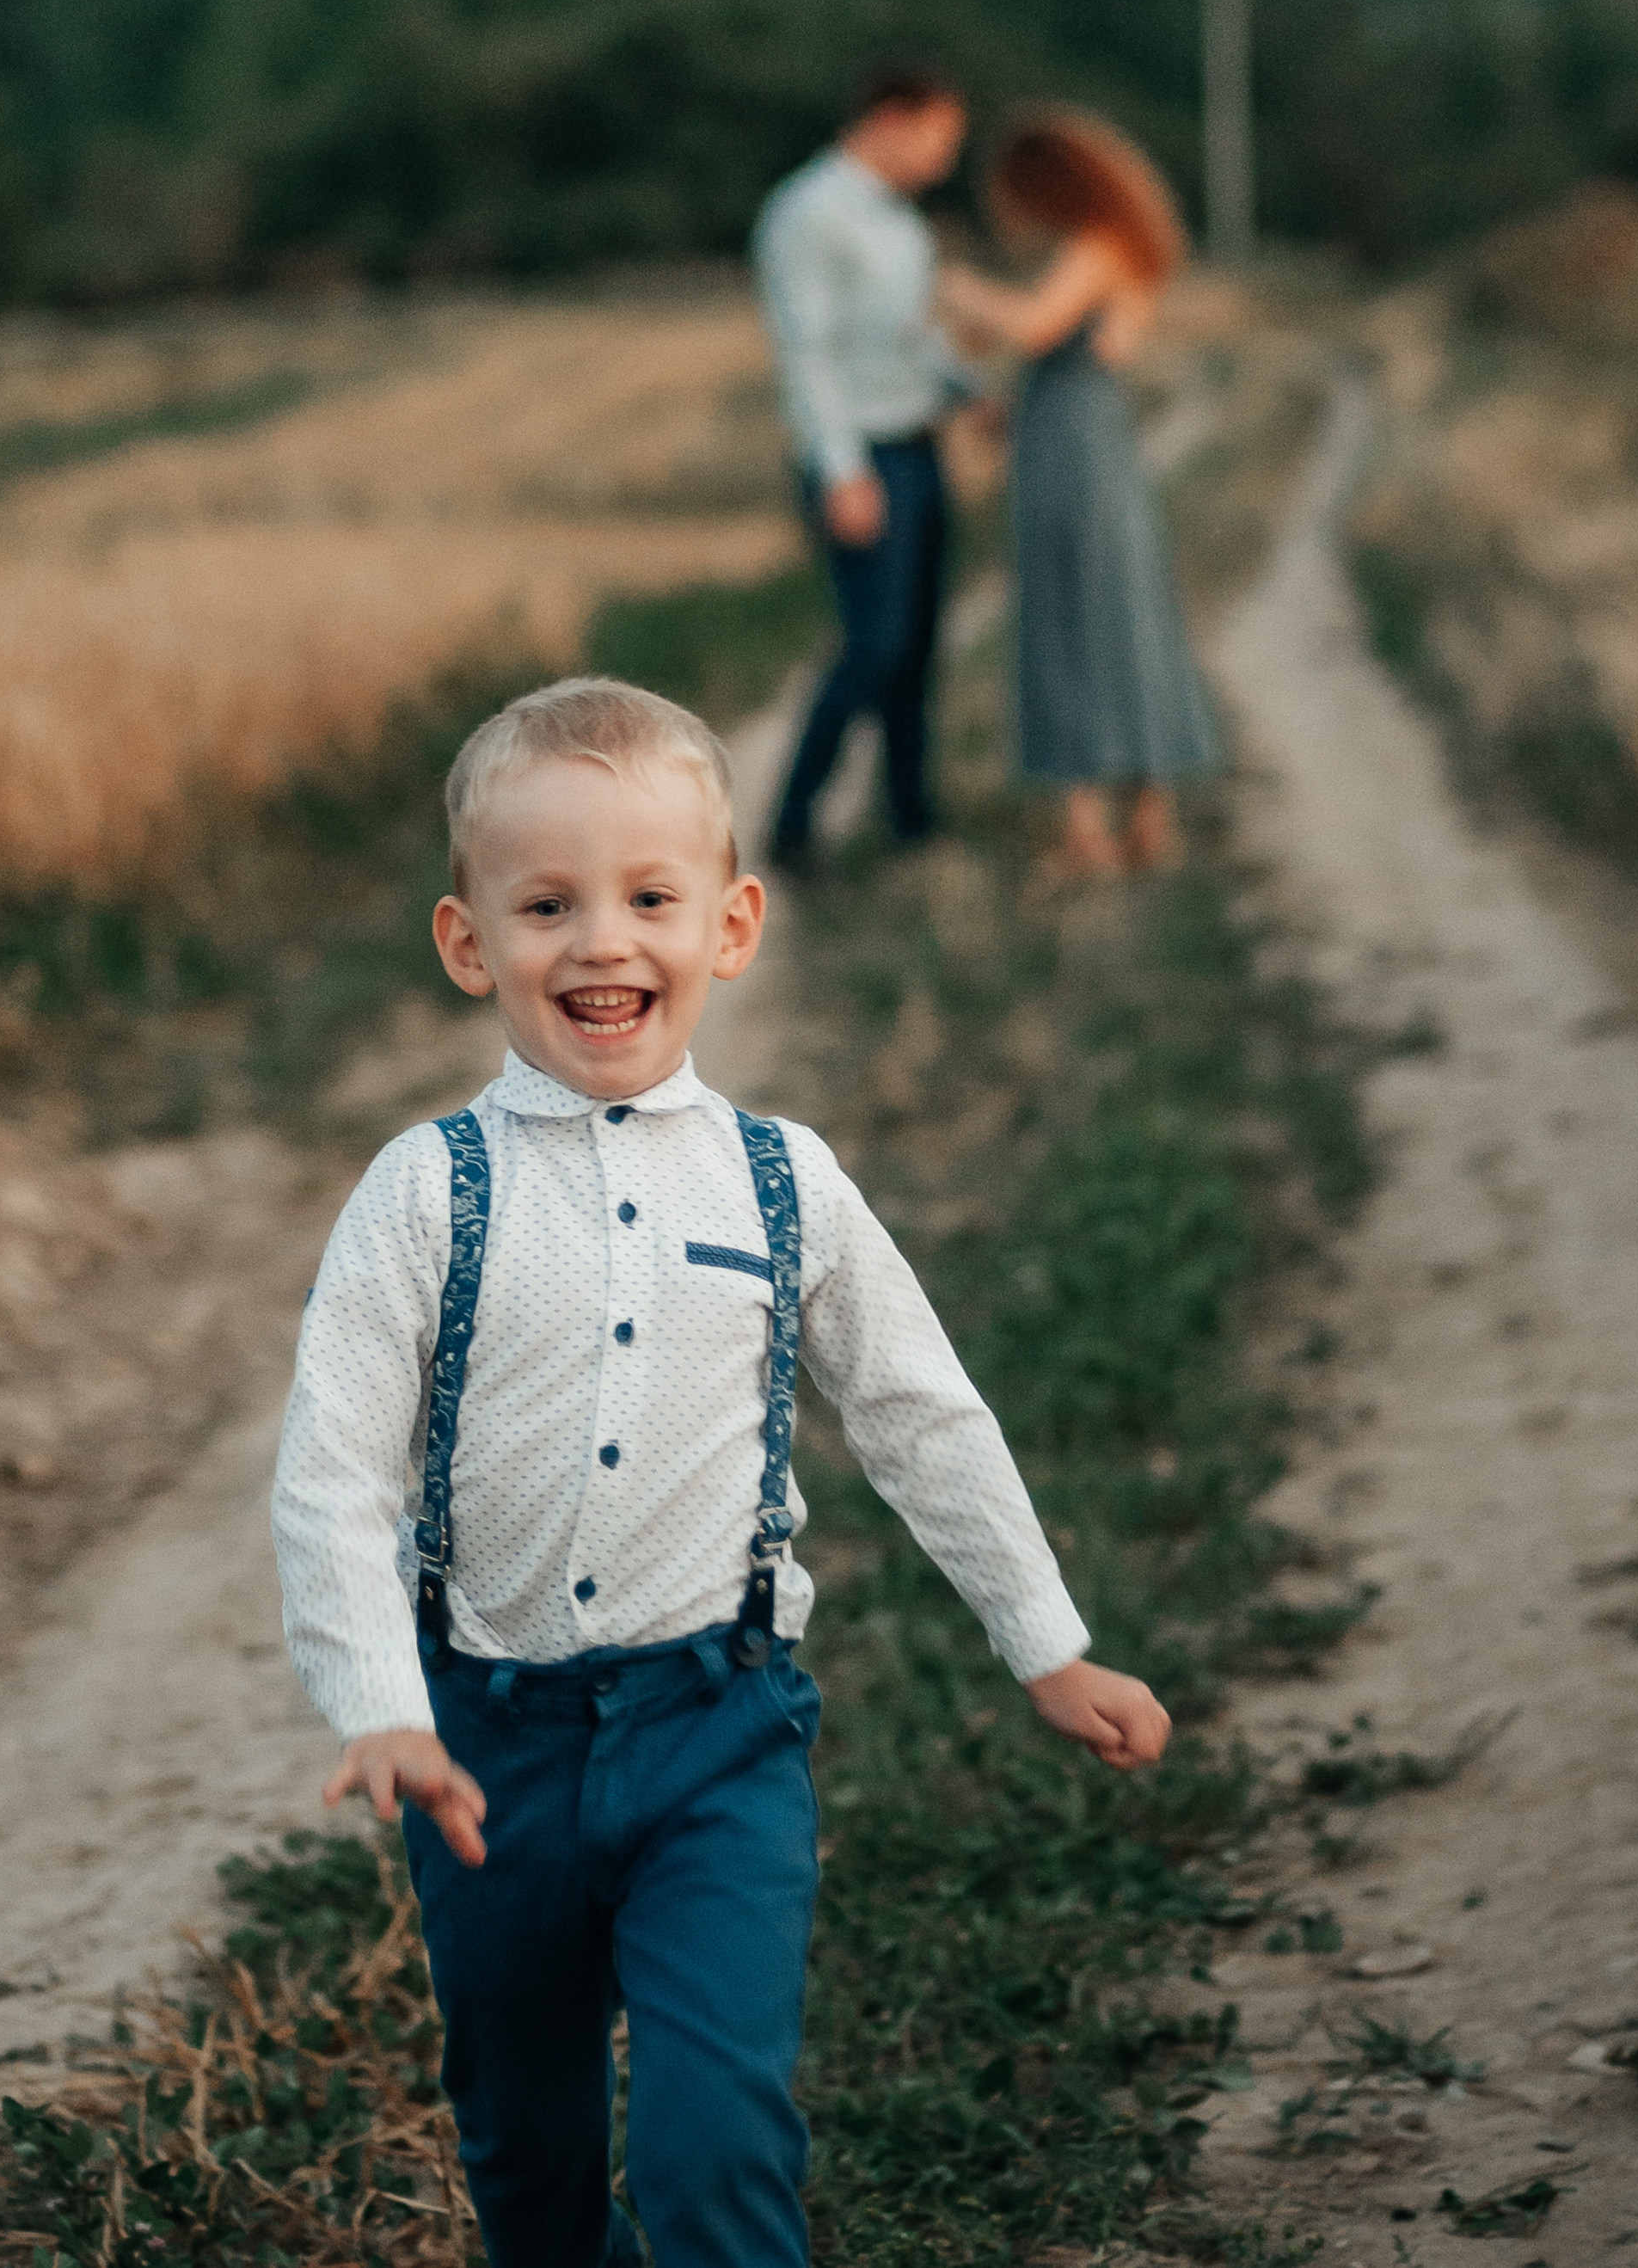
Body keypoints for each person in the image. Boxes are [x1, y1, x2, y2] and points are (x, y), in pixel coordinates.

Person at [272, 676, 1171, 2268]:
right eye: (547, 904)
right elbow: (333, 1466)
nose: (601, 941)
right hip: (493, 1761)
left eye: (649, 897)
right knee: (531, 2165)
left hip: (719, 1733)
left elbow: (920, 1412)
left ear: (733, 924)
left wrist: (1047, 1639)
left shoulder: (784, 1179)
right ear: (469, 941)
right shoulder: (423, 1195)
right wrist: (382, 1704)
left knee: (713, 2148)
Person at [936, 108, 1220, 879]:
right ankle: (1144, 810)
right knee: (1123, 609)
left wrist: (954, 287)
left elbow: (1033, 326)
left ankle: (1088, 829)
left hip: (1074, 446)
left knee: (1067, 612)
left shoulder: (1095, 247)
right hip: (1083, 436)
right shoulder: (1119, 248)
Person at [752, 65, 976, 873]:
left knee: (917, 644)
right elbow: (806, 355)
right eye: (937, 139)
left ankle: (913, 819)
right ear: (889, 117)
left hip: (919, 447)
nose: (944, 161)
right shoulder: (808, 213)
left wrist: (970, 392)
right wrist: (842, 471)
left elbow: (911, 335)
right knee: (872, 646)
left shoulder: (901, 223)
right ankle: (792, 827)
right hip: (861, 456)